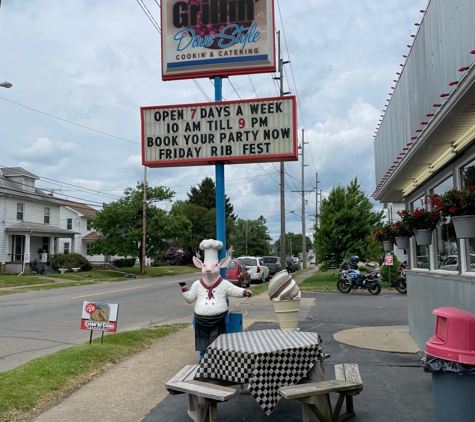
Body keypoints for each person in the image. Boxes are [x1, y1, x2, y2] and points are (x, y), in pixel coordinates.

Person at [179, 239, 251, 359]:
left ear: (220, 265)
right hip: (200, 320)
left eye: (214, 266)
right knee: (202, 341)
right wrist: (184, 289)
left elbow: (234, 290)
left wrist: (244, 291)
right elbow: (190, 298)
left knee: (219, 342)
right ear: (200, 266)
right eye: (205, 266)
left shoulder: (223, 284)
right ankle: (203, 360)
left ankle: (218, 361)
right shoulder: (198, 284)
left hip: (220, 319)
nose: (209, 270)